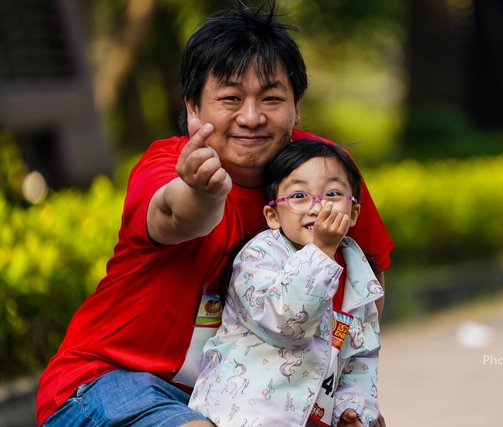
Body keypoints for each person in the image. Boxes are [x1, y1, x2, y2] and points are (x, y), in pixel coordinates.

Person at [36, 3, 393, 427]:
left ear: (296, 107)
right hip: (109, 382)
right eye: (230, 98)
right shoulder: (166, 167)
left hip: (233, 401)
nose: (251, 117)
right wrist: (202, 193)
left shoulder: (325, 175)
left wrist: (339, 398)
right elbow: (176, 214)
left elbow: (365, 282)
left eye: (272, 98)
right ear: (192, 109)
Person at [189, 139, 383, 427]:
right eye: (300, 196)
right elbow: (287, 323)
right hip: (243, 415)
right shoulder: (258, 258)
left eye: (331, 193)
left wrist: (351, 408)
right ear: (273, 215)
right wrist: (320, 252)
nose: (317, 207)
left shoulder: (358, 276)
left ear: (353, 212)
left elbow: (361, 359)